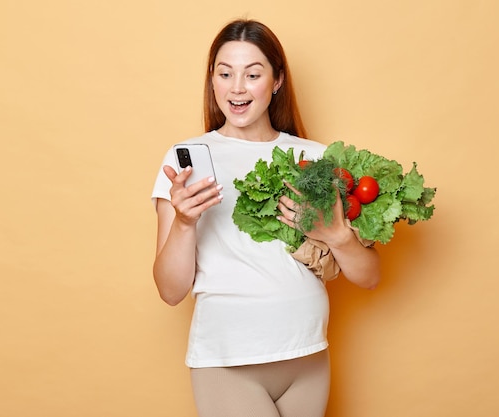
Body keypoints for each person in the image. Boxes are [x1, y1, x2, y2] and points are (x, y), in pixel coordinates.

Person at [151, 19, 380, 417]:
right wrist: (185, 224)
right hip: (228, 360)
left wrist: (336, 235)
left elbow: (370, 276)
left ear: (276, 81)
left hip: (308, 355)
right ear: (212, 80)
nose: (236, 87)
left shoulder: (317, 158)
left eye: (252, 74)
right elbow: (170, 291)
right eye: (225, 74)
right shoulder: (185, 162)